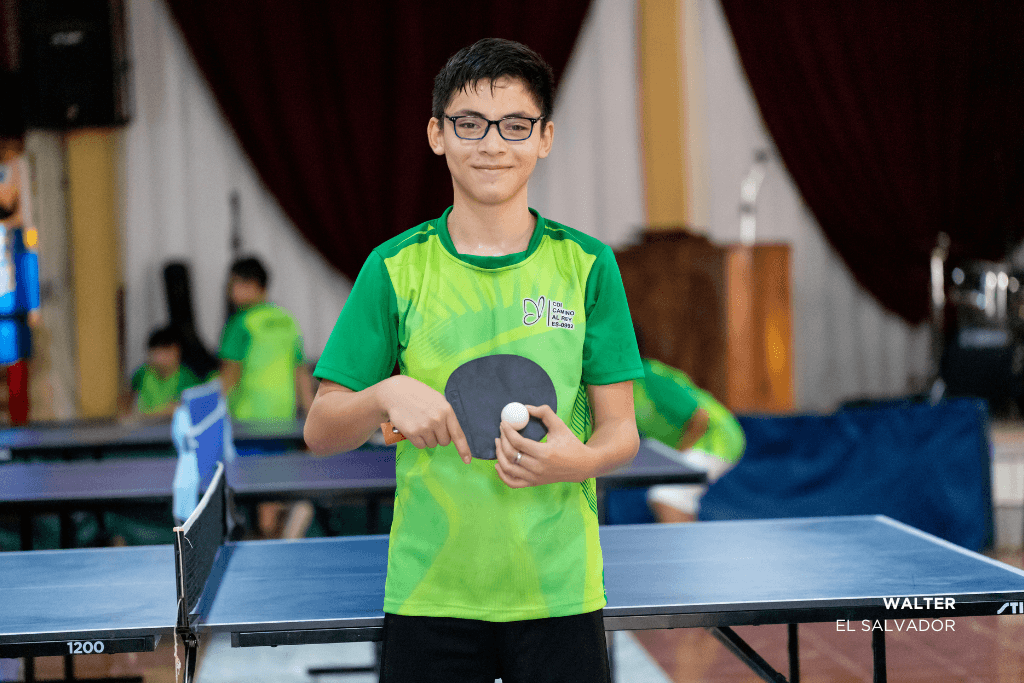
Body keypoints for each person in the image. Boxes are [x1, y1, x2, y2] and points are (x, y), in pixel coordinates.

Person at [304, 38, 643, 683]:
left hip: (559, 592)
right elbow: (321, 431)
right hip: (431, 596)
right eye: (470, 125)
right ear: (437, 135)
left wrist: (584, 461)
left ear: (544, 137)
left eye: (516, 126)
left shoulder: (589, 266)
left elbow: (620, 430)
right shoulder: (394, 269)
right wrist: (382, 395)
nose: (493, 144)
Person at [633, 327, 745, 523]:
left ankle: (682, 550)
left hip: (717, 439)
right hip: (694, 442)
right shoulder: (618, 385)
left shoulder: (651, 377)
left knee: (666, 495)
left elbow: (699, 417)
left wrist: (679, 453)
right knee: (675, 495)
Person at [219, 256, 314, 422]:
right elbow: (301, 373)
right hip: (284, 418)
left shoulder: (241, 323)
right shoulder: (287, 319)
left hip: (246, 421)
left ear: (253, 284)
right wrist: (311, 416)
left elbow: (229, 379)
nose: (231, 291)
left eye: (234, 283)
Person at [120, 326, 201, 417]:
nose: (165, 358)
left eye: (169, 352)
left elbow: (190, 409)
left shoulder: (187, 378)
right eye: (160, 353)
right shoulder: (141, 373)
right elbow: (125, 401)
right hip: (143, 428)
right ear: (149, 353)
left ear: (178, 352)